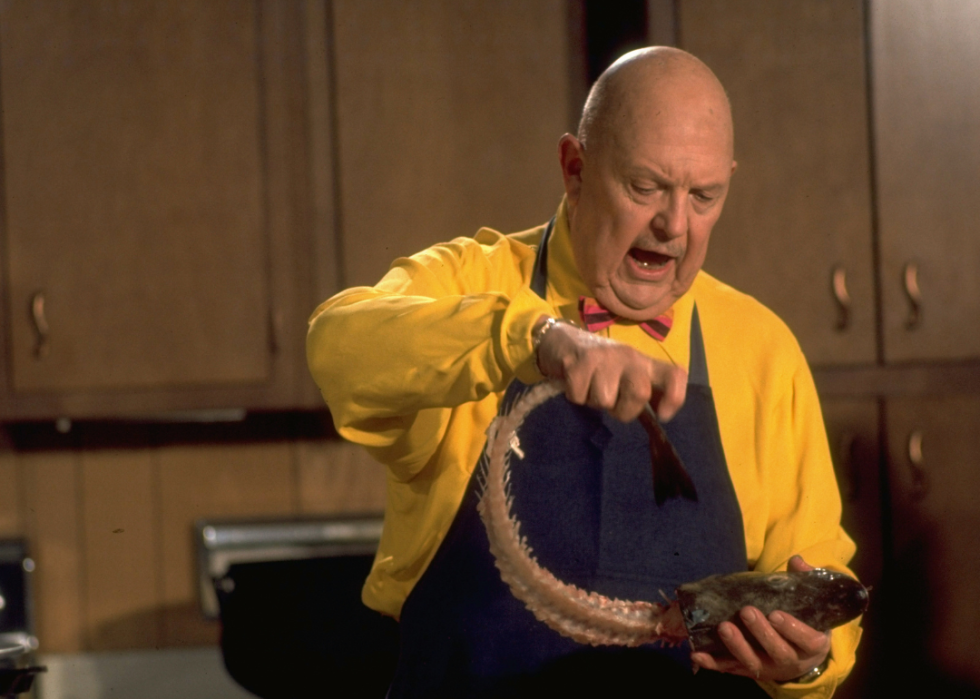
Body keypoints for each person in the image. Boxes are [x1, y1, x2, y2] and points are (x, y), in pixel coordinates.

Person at [307, 47, 861, 698]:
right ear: (574, 168)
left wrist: (811, 663)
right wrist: (533, 337)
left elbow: (820, 580)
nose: (674, 225)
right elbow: (336, 343)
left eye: (704, 196)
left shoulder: (763, 348)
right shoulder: (472, 281)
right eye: (645, 186)